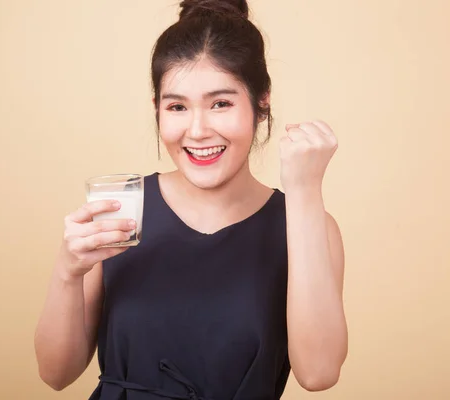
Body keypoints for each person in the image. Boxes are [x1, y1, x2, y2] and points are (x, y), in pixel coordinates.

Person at [34, 0, 348, 398]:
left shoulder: (307, 226)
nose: (197, 130)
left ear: (262, 100)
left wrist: (304, 193)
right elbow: (55, 373)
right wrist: (67, 270)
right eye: (178, 106)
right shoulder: (122, 209)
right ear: (157, 109)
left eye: (221, 103)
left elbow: (318, 373)